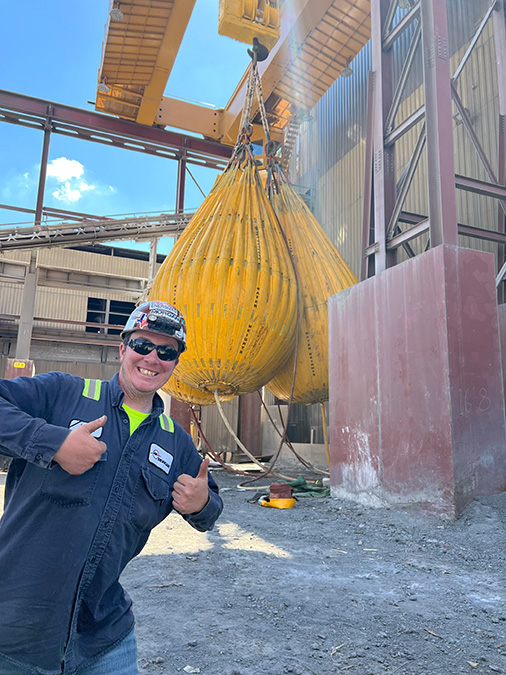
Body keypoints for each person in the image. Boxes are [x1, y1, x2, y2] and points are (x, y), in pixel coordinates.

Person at [0, 301, 223, 675]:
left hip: (103, 637)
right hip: (17, 629)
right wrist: (53, 442)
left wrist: (201, 504)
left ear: (174, 363)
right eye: (143, 345)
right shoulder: (62, 394)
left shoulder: (176, 443)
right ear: (123, 349)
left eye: (167, 351)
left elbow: (209, 508)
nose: (153, 358)